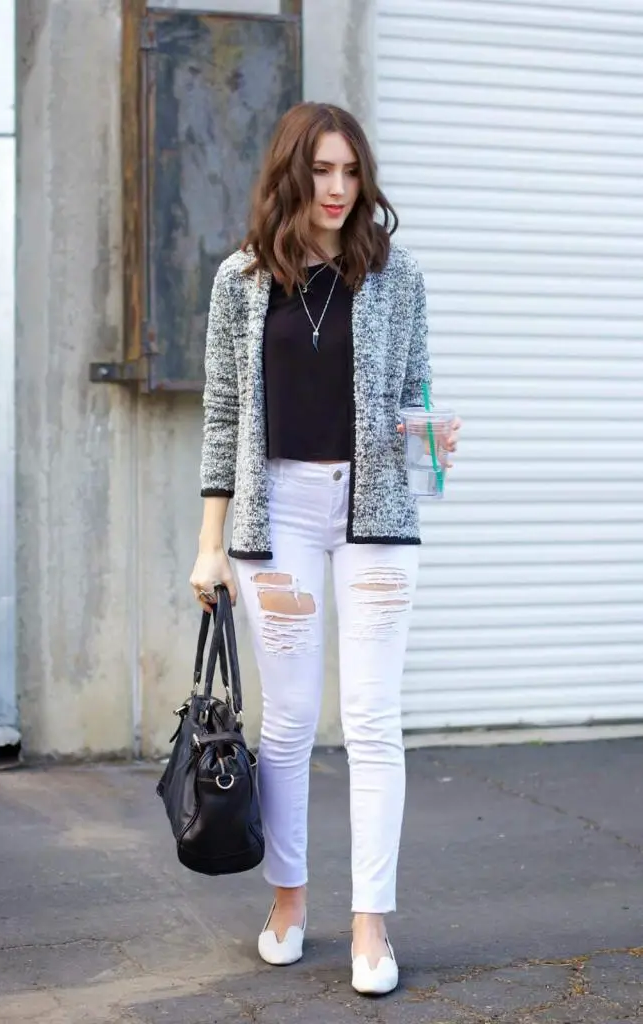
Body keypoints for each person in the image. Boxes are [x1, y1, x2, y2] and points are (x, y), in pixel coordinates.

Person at [190, 101, 460, 996]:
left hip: (374, 513)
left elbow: (414, 389)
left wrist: (430, 435)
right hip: (279, 521)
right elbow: (223, 417)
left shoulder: (396, 274)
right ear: (291, 175)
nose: (339, 189)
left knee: (375, 722)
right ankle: (289, 902)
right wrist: (209, 546)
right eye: (323, 172)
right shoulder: (240, 281)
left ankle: (370, 923)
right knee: (292, 723)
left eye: (351, 172)